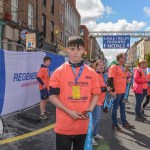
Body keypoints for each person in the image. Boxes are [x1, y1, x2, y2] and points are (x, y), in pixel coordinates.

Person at [49, 36, 100, 150]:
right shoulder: (59, 72)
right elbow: (52, 96)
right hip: (64, 125)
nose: (75, 53)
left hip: (83, 124)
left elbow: (96, 94)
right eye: (72, 49)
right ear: (67, 49)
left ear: (84, 51)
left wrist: (91, 108)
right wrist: (69, 111)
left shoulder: (91, 73)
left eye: (79, 49)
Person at [107, 53, 134, 131]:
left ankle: (124, 122)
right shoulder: (114, 66)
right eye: (124, 58)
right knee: (115, 108)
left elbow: (121, 77)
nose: (125, 59)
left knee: (122, 108)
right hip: (117, 92)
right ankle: (115, 124)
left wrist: (126, 80)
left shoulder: (121, 67)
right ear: (120, 58)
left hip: (122, 92)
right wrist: (112, 91)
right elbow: (110, 79)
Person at [92, 60, 106, 145]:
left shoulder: (101, 75)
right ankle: (90, 137)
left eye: (102, 65)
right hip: (96, 101)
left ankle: (95, 133)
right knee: (94, 119)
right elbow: (95, 89)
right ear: (96, 66)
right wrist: (106, 89)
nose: (101, 66)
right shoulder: (96, 75)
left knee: (97, 119)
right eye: (99, 65)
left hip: (101, 100)